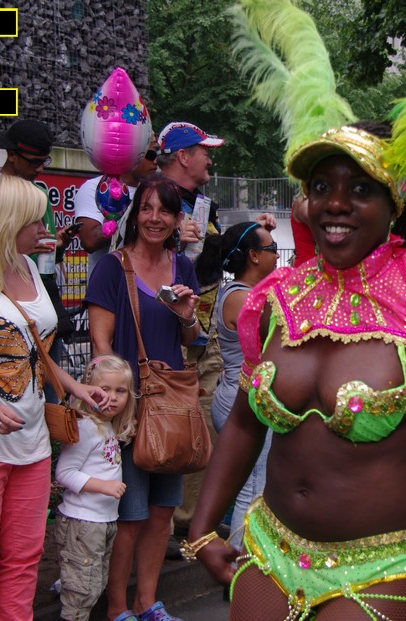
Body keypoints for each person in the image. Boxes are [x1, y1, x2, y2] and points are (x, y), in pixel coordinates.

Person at [187, 123, 406, 620]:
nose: (336, 204)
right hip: (269, 549)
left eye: (361, 189)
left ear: (395, 202)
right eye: (322, 186)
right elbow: (242, 423)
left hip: (384, 566)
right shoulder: (277, 300)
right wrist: (202, 529)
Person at [0, 174, 108, 621]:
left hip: (33, 442)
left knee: (25, 556)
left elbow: (37, 347)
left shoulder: (29, 267)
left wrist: (75, 386)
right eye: (34, 220)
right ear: (4, 221)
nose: (43, 228)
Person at [86, 173, 200, 621]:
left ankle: (147, 602)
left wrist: (186, 316)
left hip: (171, 405)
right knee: (130, 517)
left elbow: (190, 338)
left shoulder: (182, 267)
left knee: (161, 513)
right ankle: (117, 608)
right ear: (134, 214)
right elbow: (101, 345)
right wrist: (113, 406)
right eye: (147, 208)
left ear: (176, 219)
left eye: (165, 210)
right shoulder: (113, 267)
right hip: (129, 406)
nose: (155, 218)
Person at [155, 121, 226, 537]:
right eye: (204, 152)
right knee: (173, 430)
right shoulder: (151, 201)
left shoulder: (202, 205)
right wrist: (169, 238)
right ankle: (163, 526)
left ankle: (191, 524)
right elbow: (125, 259)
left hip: (206, 336)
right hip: (170, 339)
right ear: (183, 156)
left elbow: (206, 263)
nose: (210, 160)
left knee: (206, 426)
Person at [198, 220, 280, 548]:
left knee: (253, 484)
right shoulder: (244, 298)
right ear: (254, 255)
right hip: (242, 400)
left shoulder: (245, 292)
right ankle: (238, 563)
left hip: (240, 395)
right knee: (253, 488)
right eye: (272, 249)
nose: (277, 256)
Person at [54, 353, 138, 621]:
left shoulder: (106, 426)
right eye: (105, 389)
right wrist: (103, 486)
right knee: (81, 591)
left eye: (120, 391)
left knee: (93, 585)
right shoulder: (86, 427)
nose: (112, 397)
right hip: (83, 522)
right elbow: (64, 473)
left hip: (102, 521)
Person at [75, 140, 160, 279]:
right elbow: (90, 241)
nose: (155, 161)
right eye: (150, 155)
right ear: (130, 155)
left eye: (157, 154)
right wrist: (124, 219)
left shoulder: (154, 191)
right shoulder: (96, 187)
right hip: (108, 285)